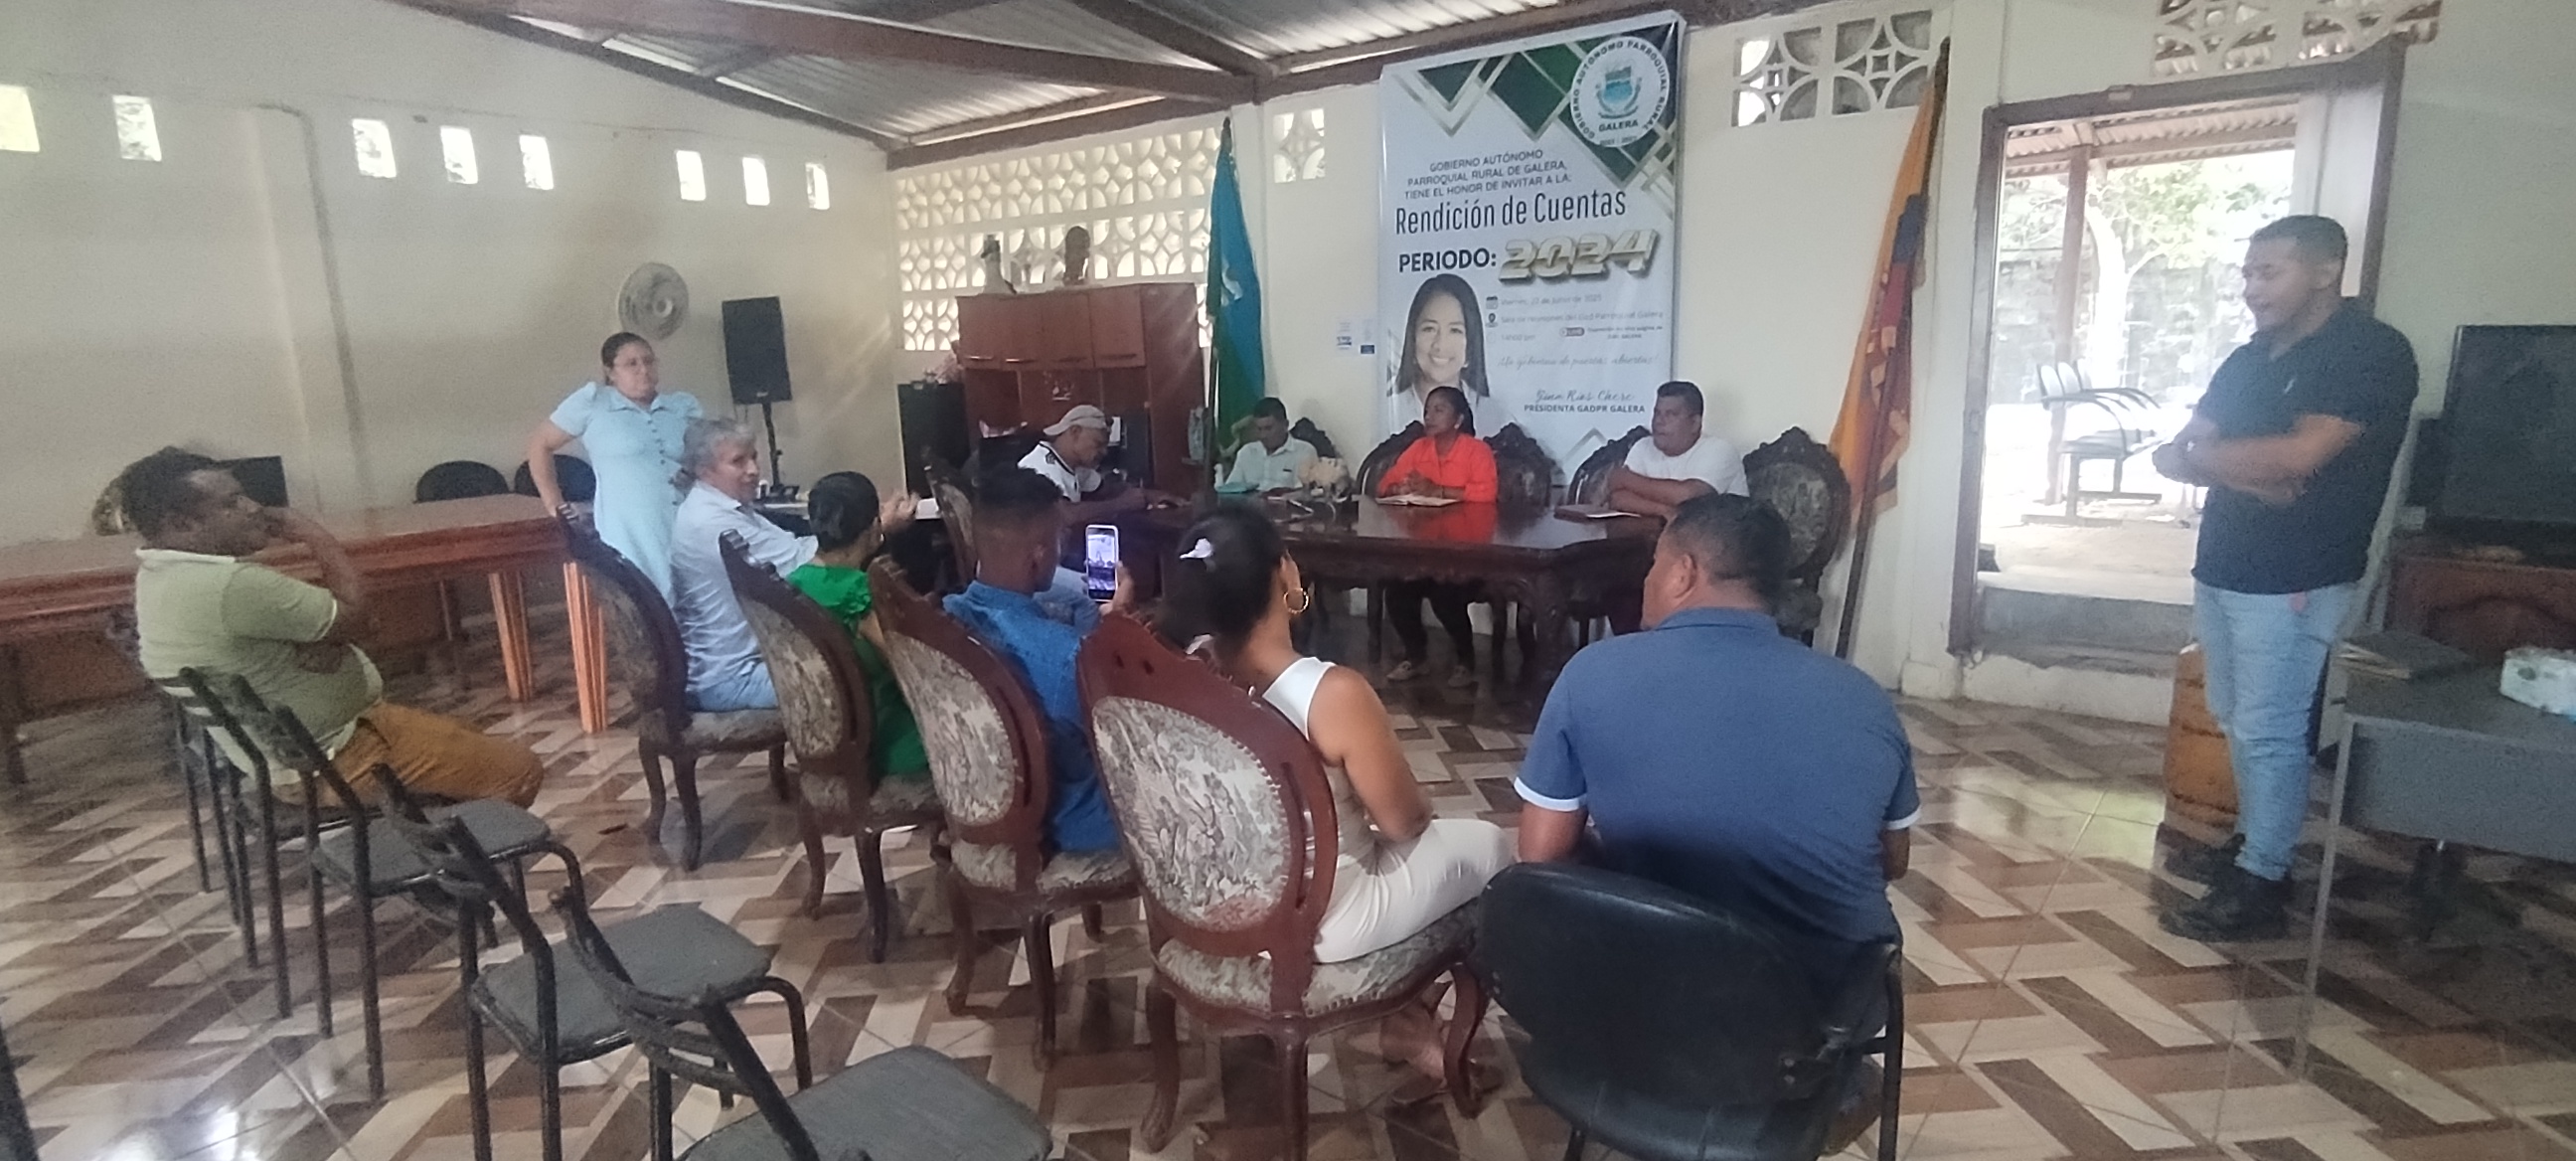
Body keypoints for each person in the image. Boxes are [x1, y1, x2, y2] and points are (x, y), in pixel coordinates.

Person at [1515, 492, 1914, 1149]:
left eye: (1653, 564)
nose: (1646, 580)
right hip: (1811, 1025)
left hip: (1643, 999)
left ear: (1683, 573)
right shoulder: (1862, 697)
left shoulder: (1592, 674)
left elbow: (1540, 858)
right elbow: (1894, 861)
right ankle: (1825, 1094)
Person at [1162, 503, 1513, 1091]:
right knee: (1492, 846)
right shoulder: (1332, 692)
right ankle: (1411, 1021)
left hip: (1222, 900)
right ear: (1285, 575)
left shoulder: (1180, 685)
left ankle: (1404, 1021)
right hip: (1319, 922)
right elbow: (1403, 823)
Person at [2150, 215, 2419, 942]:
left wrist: (2219, 463)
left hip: (2298, 572)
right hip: (2224, 564)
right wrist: (2244, 471)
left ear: (2326, 271)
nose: (2251, 288)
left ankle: (2264, 880)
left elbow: (2299, 460)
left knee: (2270, 730)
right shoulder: (2250, 358)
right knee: (2235, 715)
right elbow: (2176, 451)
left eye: (2269, 272)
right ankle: (2253, 844)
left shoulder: (2369, 352)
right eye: (2247, 273)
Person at [118, 448, 546, 806]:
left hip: (300, 753)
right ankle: (452, 861)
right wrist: (316, 537)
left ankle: (444, 840)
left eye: (243, 495)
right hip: (338, 757)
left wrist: (337, 638)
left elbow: (351, 626)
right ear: (181, 525)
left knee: (469, 737)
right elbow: (359, 618)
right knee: (520, 770)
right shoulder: (231, 585)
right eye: (230, 504)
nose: (253, 508)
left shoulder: (158, 576)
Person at [942, 465, 1128, 855]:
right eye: (1060, 538)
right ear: (1039, 555)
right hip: (1073, 822)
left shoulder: (946, 617)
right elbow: (1121, 735)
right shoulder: (1067, 658)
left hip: (975, 800)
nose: (1062, 547)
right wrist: (1119, 627)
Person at [528, 333, 703, 595]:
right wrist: (554, 504)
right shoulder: (593, 404)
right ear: (611, 372)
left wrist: (692, 471)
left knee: (696, 599)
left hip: (684, 519)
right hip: (629, 526)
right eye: (632, 364)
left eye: (648, 361)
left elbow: (706, 455)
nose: (643, 369)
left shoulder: (680, 406)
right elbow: (540, 445)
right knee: (646, 600)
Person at [785, 471, 930, 784]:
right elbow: (906, 667)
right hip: (885, 738)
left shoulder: (792, 584)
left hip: (827, 733)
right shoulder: (859, 593)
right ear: (876, 527)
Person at [670, 417, 815, 712]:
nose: (753, 469)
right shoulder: (712, 521)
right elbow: (805, 565)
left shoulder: (722, 506)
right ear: (704, 470)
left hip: (738, 666)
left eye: (754, 457)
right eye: (738, 461)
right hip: (733, 678)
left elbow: (794, 547)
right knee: (859, 672)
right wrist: (871, 533)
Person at [1377, 386, 1497, 687]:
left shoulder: (1476, 451)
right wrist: (1399, 488)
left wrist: (1439, 490)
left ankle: (1466, 662)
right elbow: (1384, 484)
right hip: (1424, 550)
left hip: (1468, 552)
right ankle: (1417, 657)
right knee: (1398, 590)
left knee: (1446, 596)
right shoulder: (1419, 449)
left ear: (1458, 420)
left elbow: (1486, 494)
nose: (1429, 416)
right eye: (1427, 410)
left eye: (1439, 410)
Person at [1386, 274, 1520, 435]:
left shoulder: (1496, 417)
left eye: (1455, 330)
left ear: (1471, 343)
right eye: (1429, 329)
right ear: (1412, 337)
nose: (1440, 344)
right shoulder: (1387, 413)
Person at [1607, 380, 1746, 517]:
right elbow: (1618, 498)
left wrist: (1626, 479)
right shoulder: (1643, 446)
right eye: (1657, 413)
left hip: (1718, 531)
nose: (1659, 421)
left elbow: (1688, 497)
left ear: (1694, 423)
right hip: (1657, 530)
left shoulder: (1720, 450)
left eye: (1671, 414)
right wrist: (1665, 511)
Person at [1222, 398, 1319, 491]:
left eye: (1268, 428)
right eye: (1259, 429)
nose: (1263, 435)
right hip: (1248, 502)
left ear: (1285, 425)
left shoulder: (1304, 452)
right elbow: (1231, 490)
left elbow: (1304, 493)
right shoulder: (1247, 452)